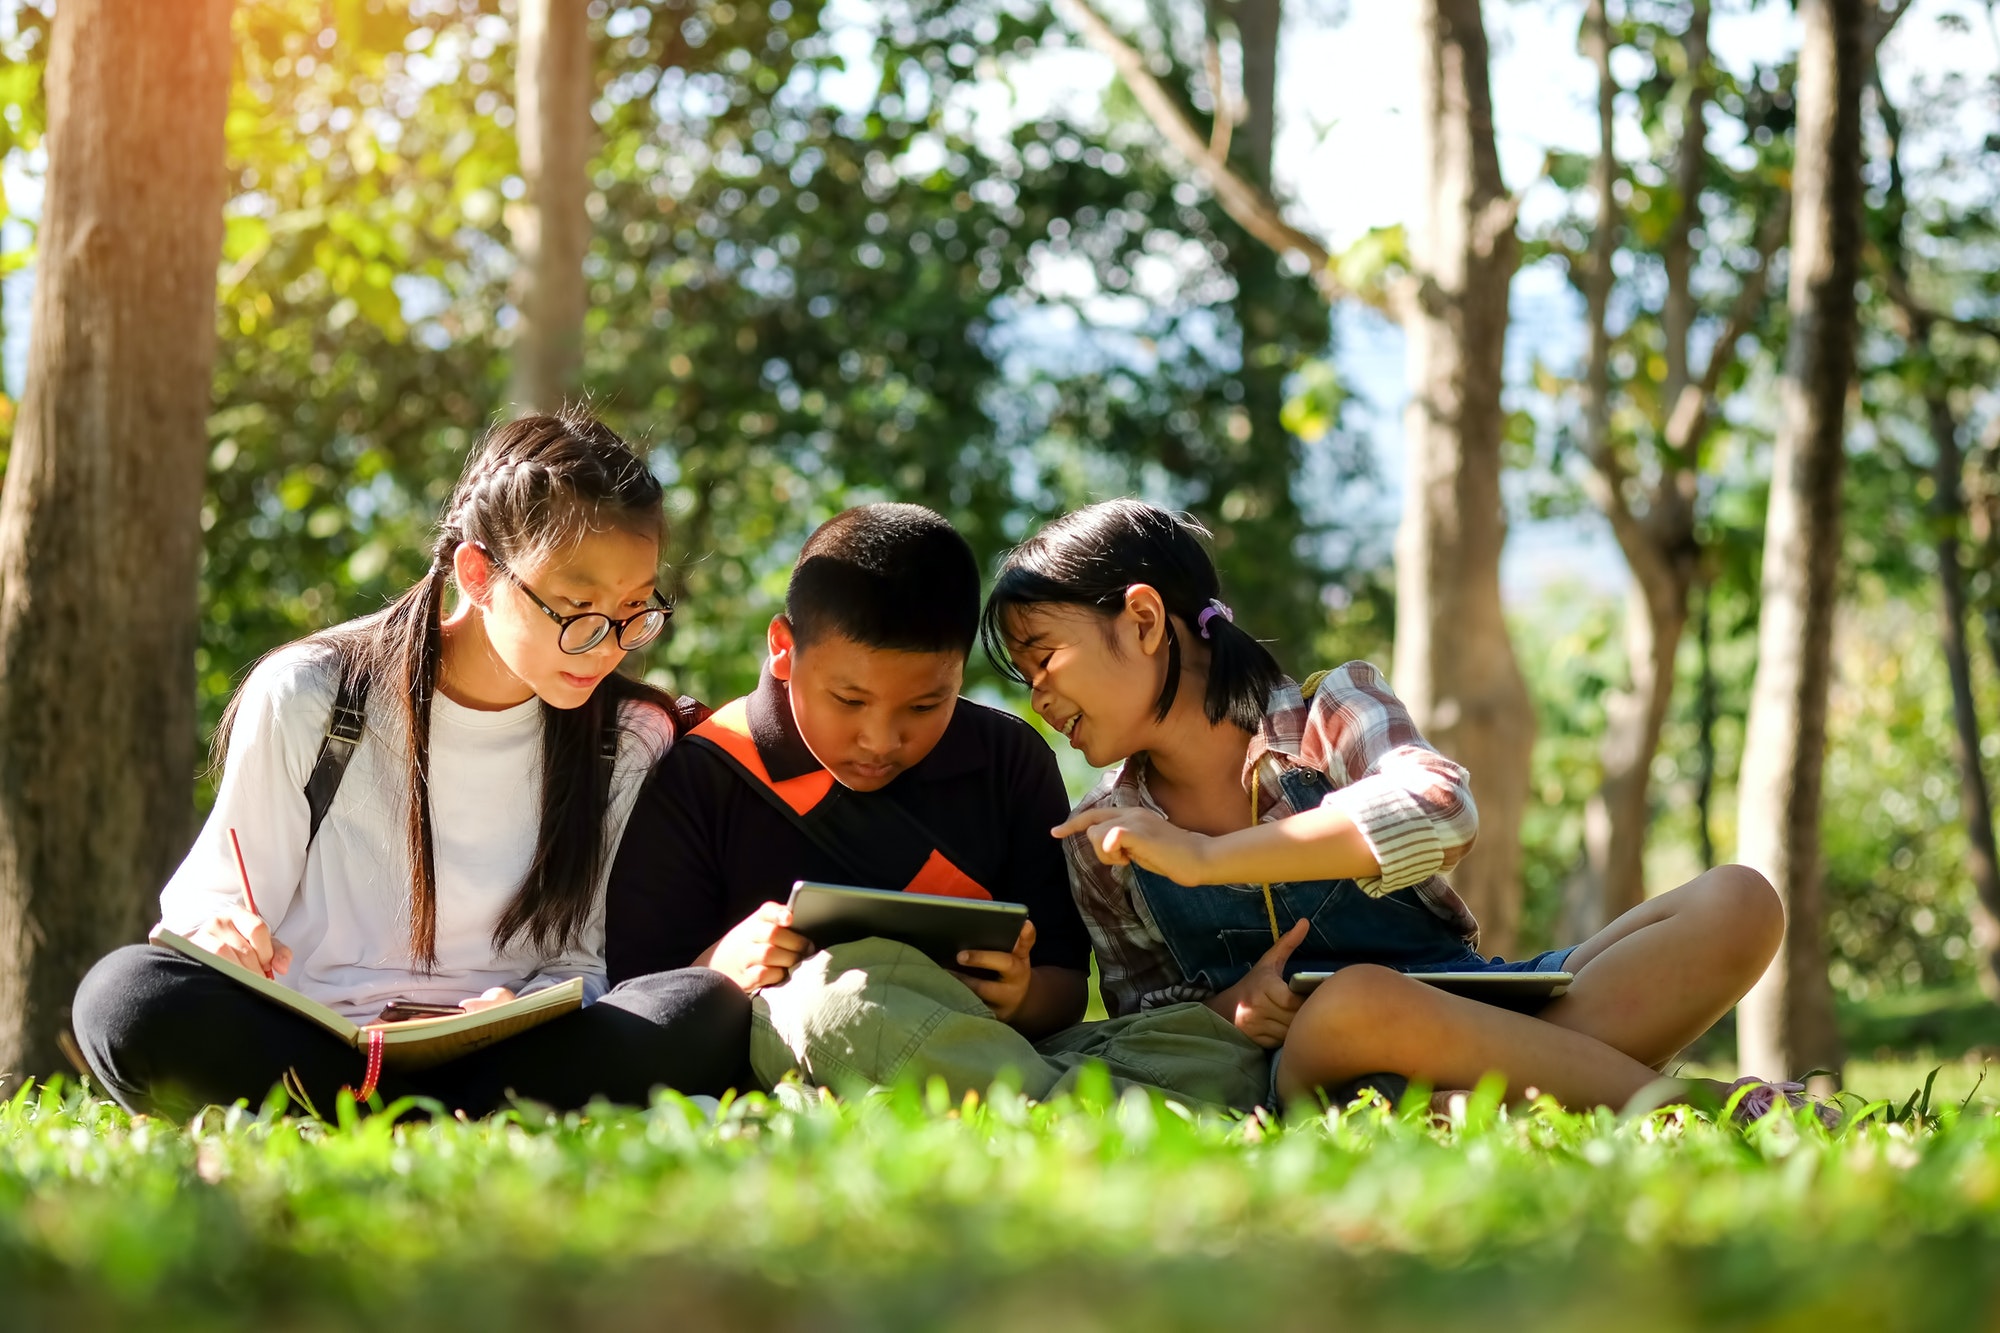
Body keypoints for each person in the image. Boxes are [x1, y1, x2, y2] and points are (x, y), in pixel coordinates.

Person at [983, 498, 1801, 1115]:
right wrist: (1231, 1008)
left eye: (1045, 656)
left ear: (1145, 618)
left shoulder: (1331, 710)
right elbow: (1145, 1026)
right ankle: (1706, 1108)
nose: (1038, 692)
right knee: (1354, 1001)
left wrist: (1206, 859)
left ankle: (1478, 1099)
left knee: (1740, 900)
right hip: (1328, 1061)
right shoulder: (1104, 837)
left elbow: (1441, 809)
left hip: (1482, 1004)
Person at [72, 412, 748, 1120]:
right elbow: (217, 900)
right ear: (479, 573)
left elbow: (588, 961)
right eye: (578, 608)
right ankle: (446, 1112)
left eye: (635, 610)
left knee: (704, 1005)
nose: (609, 646)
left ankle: (385, 1115)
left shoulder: (629, 734)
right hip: (323, 1040)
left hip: (514, 1047)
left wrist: (515, 1009)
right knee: (125, 995)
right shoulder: (315, 693)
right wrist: (223, 931)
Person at [606, 503, 1271, 1109]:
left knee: (1196, 1035)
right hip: (807, 1044)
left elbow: (1066, 989)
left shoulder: (1008, 761)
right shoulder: (707, 770)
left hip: (989, 1054)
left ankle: (1089, 1098)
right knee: (837, 1002)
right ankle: (1114, 1108)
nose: (881, 738)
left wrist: (1020, 994)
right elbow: (639, 999)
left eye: (925, 705)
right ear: (784, 649)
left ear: (959, 673)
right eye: (849, 700)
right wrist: (722, 964)